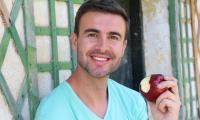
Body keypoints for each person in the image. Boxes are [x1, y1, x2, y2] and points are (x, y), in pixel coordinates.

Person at [35, 0, 181, 120]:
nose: (103, 47)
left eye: (113, 37)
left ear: (123, 47)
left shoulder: (133, 102)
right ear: (75, 41)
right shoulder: (53, 112)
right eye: (92, 34)